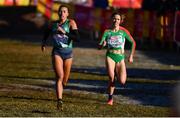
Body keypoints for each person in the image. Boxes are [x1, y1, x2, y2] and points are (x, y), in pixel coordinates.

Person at [41, 5, 79, 110]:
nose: (62, 13)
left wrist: (65, 32)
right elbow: (46, 32)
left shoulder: (71, 23)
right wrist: (43, 42)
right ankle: (59, 101)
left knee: (64, 81)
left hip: (68, 54)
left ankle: (61, 89)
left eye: (64, 11)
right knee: (60, 76)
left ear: (67, 14)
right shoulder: (53, 24)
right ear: (58, 13)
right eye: (60, 11)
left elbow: (77, 38)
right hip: (57, 52)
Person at [98, 12, 136, 105]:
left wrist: (131, 55)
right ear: (111, 19)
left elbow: (133, 43)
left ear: (120, 21)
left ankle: (111, 83)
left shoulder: (123, 31)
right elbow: (99, 45)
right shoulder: (107, 31)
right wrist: (102, 45)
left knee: (122, 81)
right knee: (111, 78)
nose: (116, 21)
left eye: (118, 19)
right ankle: (110, 98)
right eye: (114, 18)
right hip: (110, 56)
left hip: (120, 57)